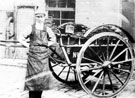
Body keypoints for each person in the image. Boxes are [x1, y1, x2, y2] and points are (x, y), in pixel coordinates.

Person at [18, 9, 57, 98]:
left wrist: (46, 45)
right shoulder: (30, 28)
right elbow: (20, 38)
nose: (40, 18)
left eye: (41, 17)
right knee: (32, 79)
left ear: (44, 17)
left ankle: (39, 96)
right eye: (38, 17)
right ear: (35, 17)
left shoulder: (47, 29)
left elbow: (53, 40)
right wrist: (28, 46)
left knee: (41, 79)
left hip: (43, 57)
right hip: (33, 57)